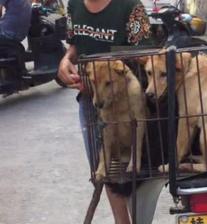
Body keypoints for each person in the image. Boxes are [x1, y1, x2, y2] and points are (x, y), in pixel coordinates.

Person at [57, 0, 153, 223]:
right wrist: (65, 61)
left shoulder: (129, 6)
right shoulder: (75, 5)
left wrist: (108, 64)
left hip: (126, 98)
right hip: (90, 99)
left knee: (135, 164)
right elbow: (74, 45)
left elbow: (147, 52)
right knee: (104, 166)